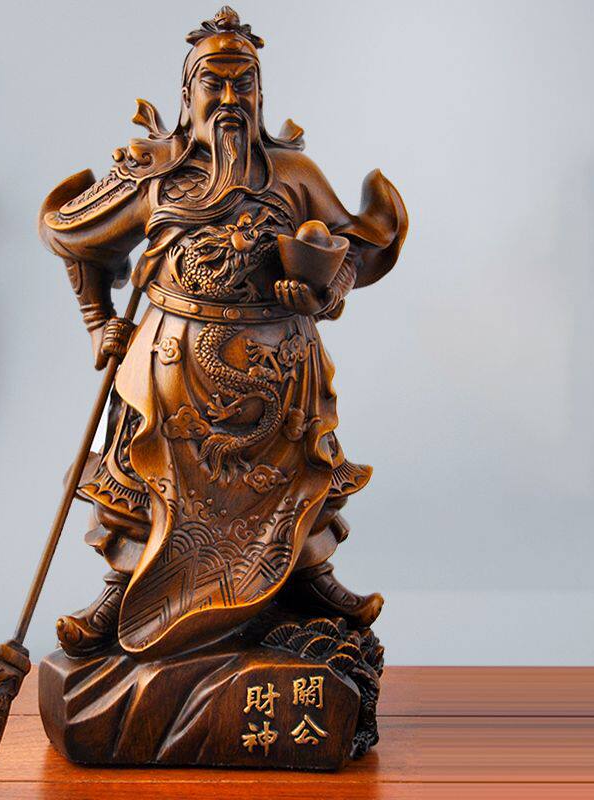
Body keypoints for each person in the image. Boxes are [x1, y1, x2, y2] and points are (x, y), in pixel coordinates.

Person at [39, 6, 407, 659]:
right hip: (170, 364)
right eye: (215, 82)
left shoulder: (293, 176)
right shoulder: (154, 175)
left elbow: (351, 245)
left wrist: (324, 289)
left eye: (246, 84)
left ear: (262, 95)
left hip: (280, 366)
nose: (232, 98)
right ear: (188, 96)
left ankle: (313, 578)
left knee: (305, 476)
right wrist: (99, 322)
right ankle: (119, 590)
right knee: (135, 480)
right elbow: (75, 237)